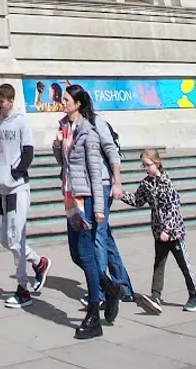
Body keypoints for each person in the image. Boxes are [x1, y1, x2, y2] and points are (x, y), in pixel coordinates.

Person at [75, 87, 136, 316]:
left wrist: (117, 182)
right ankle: (122, 285)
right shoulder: (75, 126)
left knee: (96, 238)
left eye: (67, 100)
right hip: (88, 186)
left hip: (102, 184)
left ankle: (100, 294)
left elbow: (111, 151)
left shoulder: (96, 122)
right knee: (105, 237)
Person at [53, 85, 107, 339]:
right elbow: (62, 162)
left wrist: (99, 208)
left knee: (86, 255)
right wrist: (57, 145)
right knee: (75, 254)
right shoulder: (64, 127)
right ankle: (110, 287)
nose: (62, 102)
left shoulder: (89, 133)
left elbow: (95, 173)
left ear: (78, 104)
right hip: (69, 198)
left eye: (66, 100)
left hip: (84, 200)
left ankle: (94, 313)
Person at [120, 149, 196, 314]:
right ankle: (155, 296)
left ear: (157, 164)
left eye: (147, 165)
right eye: (143, 166)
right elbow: (137, 200)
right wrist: (121, 195)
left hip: (174, 233)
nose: (145, 168)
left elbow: (173, 208)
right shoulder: (146, 184)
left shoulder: (166, 182)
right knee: (159, 264)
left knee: (184, 265)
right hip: (158, 232)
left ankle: (194, 297)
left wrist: (167, 230)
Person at [0, 82, 50, 309]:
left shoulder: (21, 122)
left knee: (17, 239)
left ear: (11, 101)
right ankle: (38, 262)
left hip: (17, 188)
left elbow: (28, 152)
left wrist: (15, 173)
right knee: (5, 239)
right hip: (3, 188)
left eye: (2, 101)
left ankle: (23, 289)